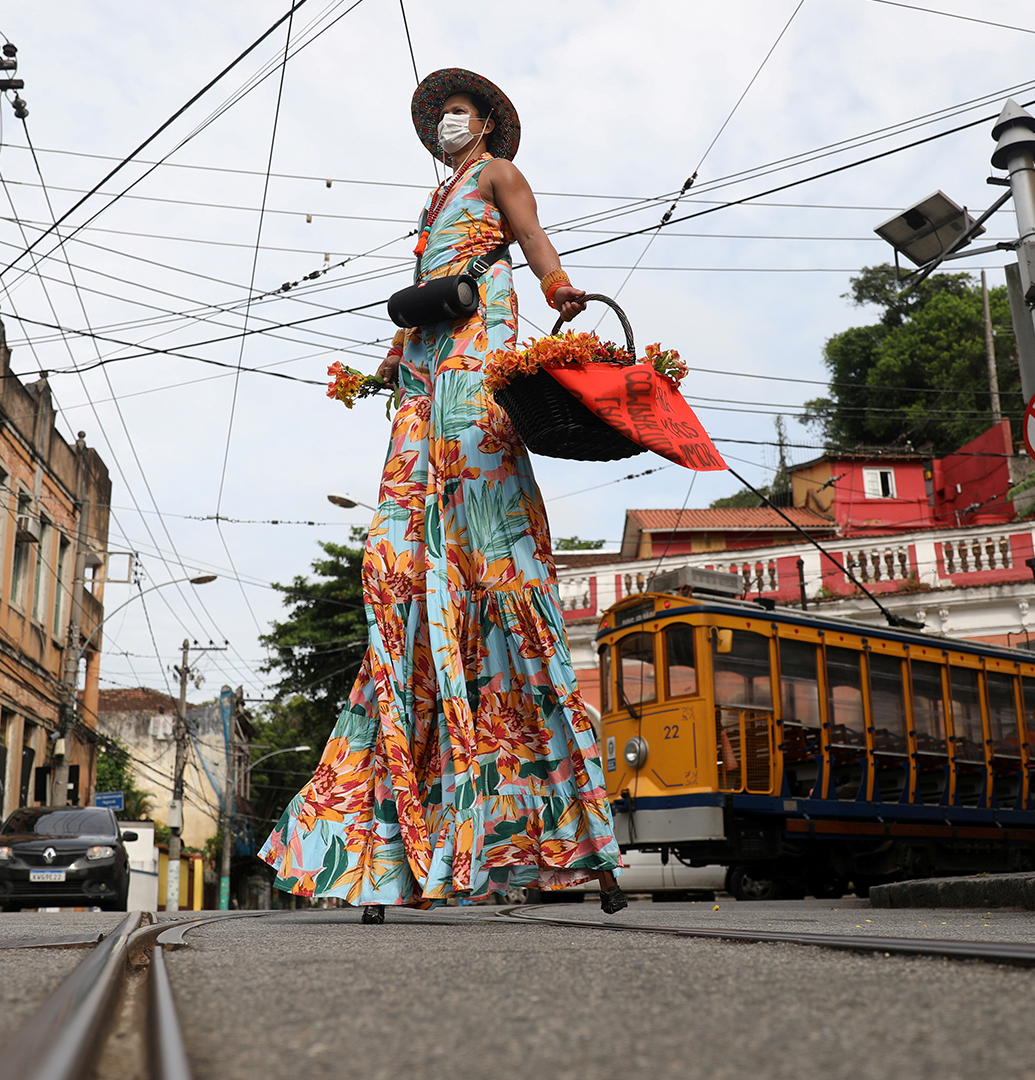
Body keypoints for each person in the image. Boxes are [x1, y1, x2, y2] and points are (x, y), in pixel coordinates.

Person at [259, 69, 627, 921]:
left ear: (487, 121)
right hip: (427, 355)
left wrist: (558, 286)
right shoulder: (433, 203)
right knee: (397, 539)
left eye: (458, 114)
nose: (446, 125)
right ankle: (401, 839)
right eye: (439, 119)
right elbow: (425, 283)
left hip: (479, 338)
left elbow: (531, 235)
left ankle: (538, 831)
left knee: (478, 464)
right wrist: (386, 362)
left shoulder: (496, 175)